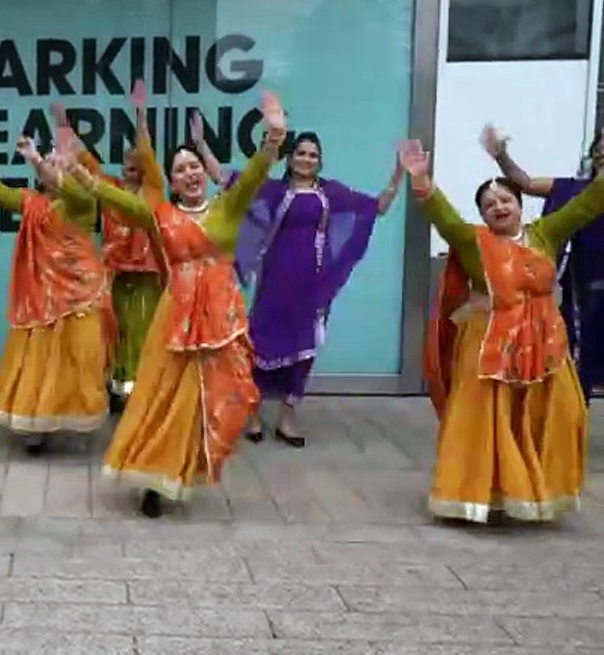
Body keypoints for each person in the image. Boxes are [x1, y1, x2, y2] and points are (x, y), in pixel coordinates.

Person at [67, 91, 287, 517]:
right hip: (177, 317)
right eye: (180, 169)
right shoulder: (161, 215)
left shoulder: (227, 206)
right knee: (167, 396)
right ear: (170, 179)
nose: (190, 173)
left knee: (213, 398)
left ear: (204, 171)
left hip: (220, 318)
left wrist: (274, 137)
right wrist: (82, 175)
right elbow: (121, 201)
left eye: (194, 166)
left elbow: (256, 174)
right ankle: (154, 474)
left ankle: (184, 467)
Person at [405, 139, 598, 523]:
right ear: (482, 214)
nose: (499, 207)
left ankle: (540, 491)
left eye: (506, 199)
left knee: (563, 411)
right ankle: (481, 494)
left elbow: (587, 205)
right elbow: (445, 219)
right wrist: (423, 182)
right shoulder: (474, 242)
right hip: (490, 343)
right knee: (486, 419)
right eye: (489, 204)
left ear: (520, 205)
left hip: (544, 342)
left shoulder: (545, 232)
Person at [231, 132, 403, 447]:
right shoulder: (274, 190)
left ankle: (287, 419)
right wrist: (202, 148)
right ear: (290, 158)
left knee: (304, 350)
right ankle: (252, 414)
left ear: (320, 161)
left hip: (311, 286)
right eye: (301, 153)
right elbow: (233, 183)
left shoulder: (331, 193)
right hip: (274, 284)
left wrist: (399, 173)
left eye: (313, 155)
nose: (306, 160)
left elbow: (377, 207)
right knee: (259, 346)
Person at [0, 126, 113, 455]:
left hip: (80, 293)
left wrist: (37, 159)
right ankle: (36, 426)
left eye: (58, 162)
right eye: (50, 164)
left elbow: (69, 188)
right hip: (41, 295)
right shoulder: (33, 204)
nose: (52, 168)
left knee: (79, 358)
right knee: (38, 359)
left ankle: (72, 417)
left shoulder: (84, 202)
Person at [483, 123, 604, 398]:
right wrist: (501, 155)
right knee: (577, 359)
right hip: (583, 289)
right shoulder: (573, 189)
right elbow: (524, 183)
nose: (602, 151)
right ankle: (571, 415)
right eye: (599, 146)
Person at [76, 81, 165, 403]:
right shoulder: (110, 188)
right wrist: (64, 128)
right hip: (114, 272)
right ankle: (116, 386)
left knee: (141, 330)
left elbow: (146, 151)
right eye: (128, 158)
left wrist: (140, 115)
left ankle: (138, 388)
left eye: (138, 159)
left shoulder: (153, 190)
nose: (133, 162)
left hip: (146, 275)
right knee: (114, 329)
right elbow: (87, 165)